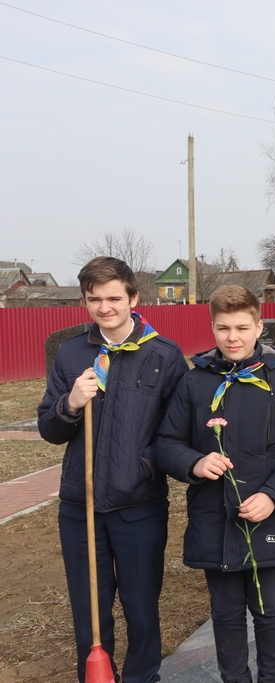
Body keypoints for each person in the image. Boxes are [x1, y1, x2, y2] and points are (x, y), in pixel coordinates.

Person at [154, 284, 275, 683]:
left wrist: (273, 495)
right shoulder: (194, 383)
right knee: (226, 614)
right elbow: (165, 443)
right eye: (224, 328)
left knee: (269, 611)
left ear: (259, 326)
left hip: (267, 518)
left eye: (243, 328)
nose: (233, 337)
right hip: (214, 518)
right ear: (212, 327)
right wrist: (195, 462)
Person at [37, 256, 188, 683]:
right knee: (89, 611)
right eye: (95, 299)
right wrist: (69, 404)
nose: (105, 308)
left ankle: (143, 677)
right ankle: (97, 675)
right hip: (79, 507)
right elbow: (50, 428)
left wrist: (147, 466)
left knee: (141, 608)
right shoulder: (71, 354)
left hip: (138, 506)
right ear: (85, 300)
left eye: (114, 298)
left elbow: (177, 432)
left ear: (133, 298)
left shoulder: (163, 355)